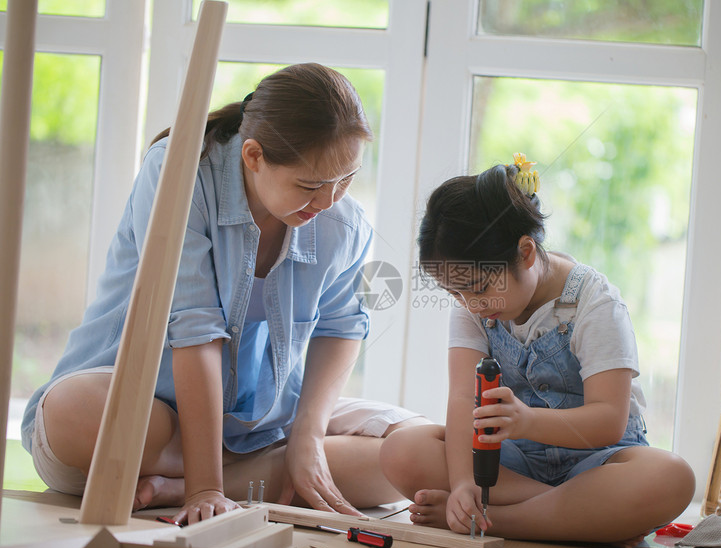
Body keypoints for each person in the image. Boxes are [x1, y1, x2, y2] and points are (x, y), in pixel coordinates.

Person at [21, 63, 427, 524]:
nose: (332, 200)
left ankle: (222, 476)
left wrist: (309, 437)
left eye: (347, 178)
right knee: (71, 413)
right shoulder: (179, 173)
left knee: (413, 448)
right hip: (148, 426)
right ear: (253, 156)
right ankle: (239, 476)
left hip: (259, 425)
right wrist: (204, 488)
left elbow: (342, 326)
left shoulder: (341, 222)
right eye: (311, 185)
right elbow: (195, 331)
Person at [379, 154, 695, 547]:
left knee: (671, 476)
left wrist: (527, 421)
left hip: (597, 462)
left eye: (477, 288)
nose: (470, 304)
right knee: (401, 449)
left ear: (525, 253)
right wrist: (463, 484)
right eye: (455, 292)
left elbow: (609, 420)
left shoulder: (594, 304)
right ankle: (579, 517)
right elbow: (462, 398)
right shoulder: (473, 306)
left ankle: (495, 521)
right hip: (512, 466)